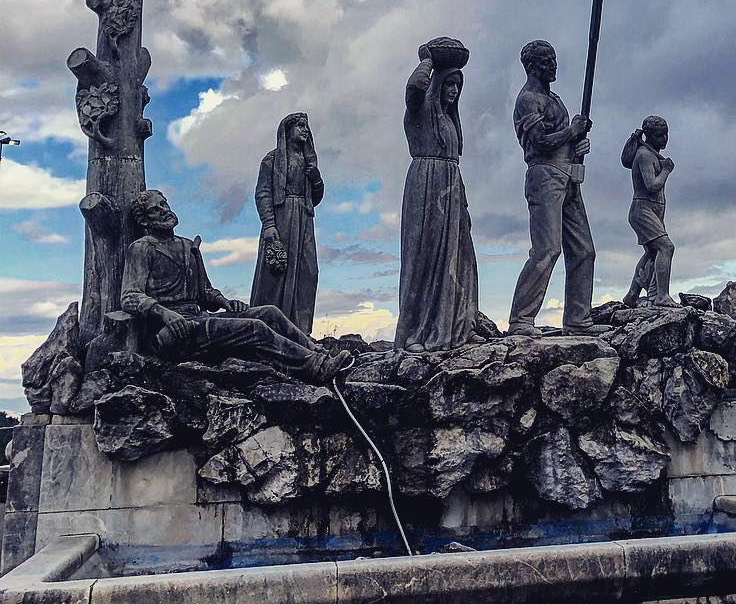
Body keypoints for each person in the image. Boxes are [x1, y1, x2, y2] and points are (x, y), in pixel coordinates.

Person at [120, 189, 351, 384]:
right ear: (144, 221)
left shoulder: (188, 246)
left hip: (197, 318)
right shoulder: (142, 248)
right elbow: (130, 296)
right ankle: (314, 367)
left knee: (269, 312)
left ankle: (316, 351)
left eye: (164, 204)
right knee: (255, 328)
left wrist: (225, 302)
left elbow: (204, 292)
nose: (163, 210)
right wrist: (164, 313)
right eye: (154, 210)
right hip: (172, 331)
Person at [395, 38, 480, 352]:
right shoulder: (419, 110)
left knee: (461, 256)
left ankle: (459, 324)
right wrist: (428, 60)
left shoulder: (449, 118)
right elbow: (415, 87)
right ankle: (418, 332)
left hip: (451, 184)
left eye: (458, 86)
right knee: (425, 257)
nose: (454, 92)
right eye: (449, 85)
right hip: (426, 183)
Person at [507, 40, 595, 335]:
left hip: (568, 176)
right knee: (547, 249)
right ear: (531, 66)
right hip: (544, 177)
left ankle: (578, 319)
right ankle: (521, 319)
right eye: (547, 61)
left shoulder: (555, 99)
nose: (553, 65)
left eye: (554, 60)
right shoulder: (527, 100)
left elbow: (561, 140)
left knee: (584, 250)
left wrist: (576, 144)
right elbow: (539, 142)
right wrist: (572, 131)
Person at [250, 112, 323, 334]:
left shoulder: (309, 163)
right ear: (287, 131)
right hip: (281, 220)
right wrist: (269, 224)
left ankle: (301, 329)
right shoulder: (271, 160)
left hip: (304, 220)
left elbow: (316, 198)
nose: (305, 130)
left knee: (308, 271)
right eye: (300, 126)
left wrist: (316, 179)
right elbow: (262, 193)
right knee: (275, 273)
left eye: (306, 127)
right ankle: (269, 327)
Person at [622, 115, 677, 308]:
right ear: (650, 136)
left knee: (653, 253)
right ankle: (662, 296)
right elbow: (652, 185)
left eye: (666, 134)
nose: (665, 139)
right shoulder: (645, 156)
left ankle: (632, 294)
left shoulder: (651, 154)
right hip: (642, 209)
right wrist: (666, 171)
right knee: (666, 247)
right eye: (660, 135)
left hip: (651, 210)